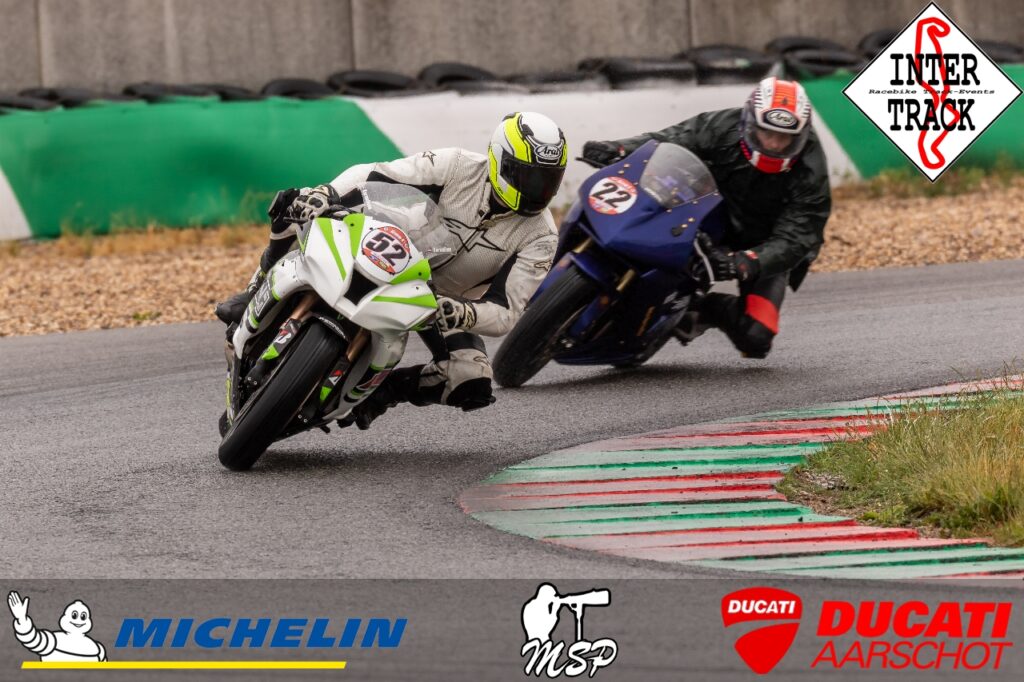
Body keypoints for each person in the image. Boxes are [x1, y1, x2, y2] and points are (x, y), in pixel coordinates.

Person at [216, 112, 567, 426]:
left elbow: (506, 312)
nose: (538, 190)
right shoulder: (458, 165)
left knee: (472, 380)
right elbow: (375, 172)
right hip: (393, 247)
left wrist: (461, 313)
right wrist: (326, 193)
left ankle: (380, 395)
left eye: (548, 180)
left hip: (439, 303)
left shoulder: (541, 237)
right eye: (529, 177)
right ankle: (254, 290)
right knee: (295, 202)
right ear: (499, 160)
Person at [581, 77, 831, 359]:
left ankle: (695, 310)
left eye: (784, 138)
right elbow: (674, 138)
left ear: (800, 136)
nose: (773, 144)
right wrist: (620, 149)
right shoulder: (724, 125)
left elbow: (799, 236)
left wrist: (748, 261)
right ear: (750, 122)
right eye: (766, 133)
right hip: (707, 211)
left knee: (756, 336)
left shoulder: (811, 170)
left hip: (764, 242)